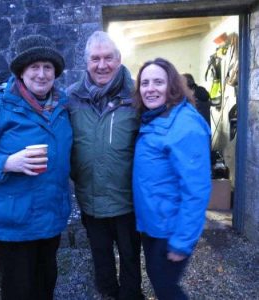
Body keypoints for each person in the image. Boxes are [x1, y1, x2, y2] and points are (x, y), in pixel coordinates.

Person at [0, 35, 72, 300]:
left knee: (46, 287)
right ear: (21, 71)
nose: (42, 74)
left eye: (48, 67)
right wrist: (6, 162)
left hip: (50, 219)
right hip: (14, 224)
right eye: (34, 67)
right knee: (19, 291)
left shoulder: (62, 106)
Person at [67, 31, 143, 300]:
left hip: (128, 202)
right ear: (86, 63)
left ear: (119, 59)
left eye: (108, 58)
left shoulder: (137, 97)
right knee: (101, 259)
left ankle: (132, 296)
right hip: (91, 199)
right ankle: (109, 294)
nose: (102, 65)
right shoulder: (71, 98)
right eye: (95, 59)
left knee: (131, 257)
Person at [133, 58, 211, 300]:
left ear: (173, 86)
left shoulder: (184, 124)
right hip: (154, 224)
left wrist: (182, 241)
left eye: (158, 81)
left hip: (171, 228)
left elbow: (196, 190)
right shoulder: (156, 117)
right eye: (144, 83)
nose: (150, 88)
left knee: (166, 287)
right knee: (159, 280)